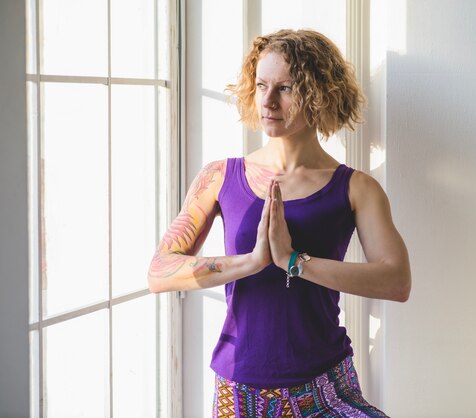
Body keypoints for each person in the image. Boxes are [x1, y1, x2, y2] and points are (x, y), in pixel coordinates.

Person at [148, 29, 411, 417]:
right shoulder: (220, 177)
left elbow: (397, 281)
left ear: (318, 94)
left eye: (285, 88)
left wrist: (293, 261)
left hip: (326, 387)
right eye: (261, 85)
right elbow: (160, 270)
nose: (268, 101)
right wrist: (252, 262)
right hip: (239, 390)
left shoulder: (357, 188)